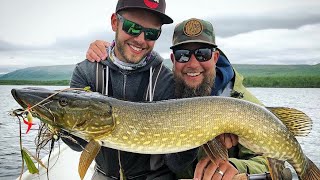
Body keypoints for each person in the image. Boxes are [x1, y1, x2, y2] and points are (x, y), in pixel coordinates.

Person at [85, 18, 272, 180]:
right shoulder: (165, 90)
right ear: (173, 59)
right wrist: (109, 51)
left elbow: (270, 160)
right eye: (183, 55)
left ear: (215, 57)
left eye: (203, 54)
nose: (192, 63)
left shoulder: (242, 102)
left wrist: (237, 168)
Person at [63, 0, 200, 179]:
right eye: (132, 27)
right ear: (115, 22)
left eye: (151, 33)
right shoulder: (87, 71)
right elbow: (78, 145)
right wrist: (59, 124)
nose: (141, 39)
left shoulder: (167, 81)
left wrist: (198, 136)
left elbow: (176, 163)